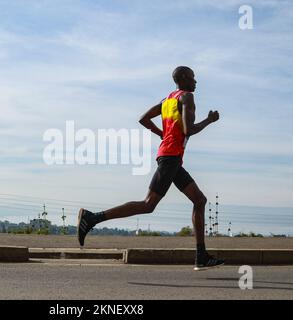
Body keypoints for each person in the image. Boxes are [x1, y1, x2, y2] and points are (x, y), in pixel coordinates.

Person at [77, 66, 225, 271]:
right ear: (183, 79)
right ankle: (92, 218)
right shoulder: (187, 97)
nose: (196, 82)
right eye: (193, 77)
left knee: (199, 200)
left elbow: (143, 119)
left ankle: (201, 256)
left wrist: (162, 135)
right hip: (170, 158)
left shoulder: (167, 100)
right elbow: (188, 130)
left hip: (170, 157)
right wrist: (209, 120)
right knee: (148, 204)